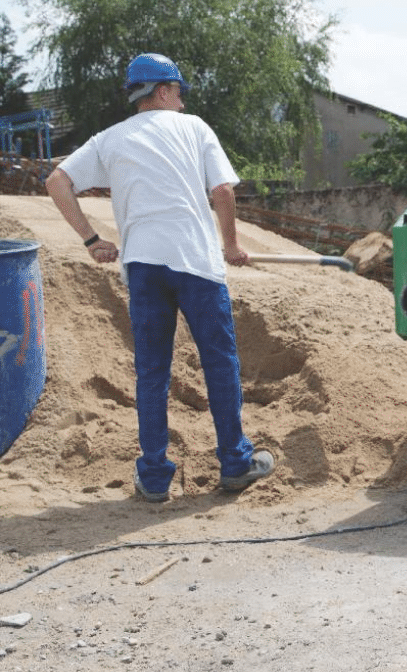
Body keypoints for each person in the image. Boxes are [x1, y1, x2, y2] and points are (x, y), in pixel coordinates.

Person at [45, 52, 274, 502]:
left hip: (144, 266)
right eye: (179, 93)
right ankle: (235, 463)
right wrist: (230, 246)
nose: (183, 103)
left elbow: (56, 180)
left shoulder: (108, 139)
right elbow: (223, 191)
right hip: (196, 262)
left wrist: (92, 240)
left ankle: (153, 477)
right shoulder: (195, 128)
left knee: (152, 373)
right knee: (220, 364)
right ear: (164, 91)